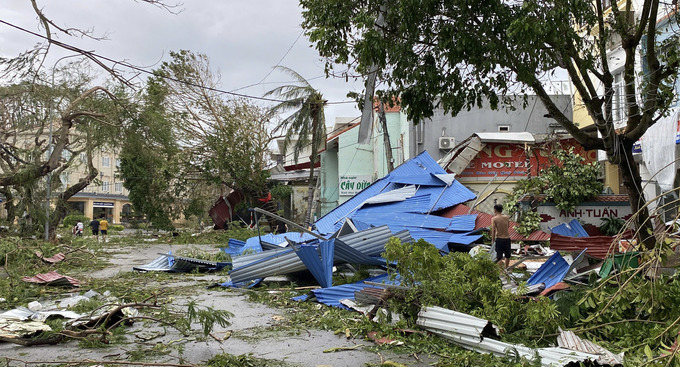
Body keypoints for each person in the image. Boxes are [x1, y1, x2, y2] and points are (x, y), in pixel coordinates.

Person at [491, 204, 512, 268]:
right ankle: (506, 269)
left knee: (499, 256)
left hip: (499, 239)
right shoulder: (506, 217)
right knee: (507, 255)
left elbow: (493, 230)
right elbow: (508, 226)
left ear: (495, 210)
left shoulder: (494, 219)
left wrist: (493, 240)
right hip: (507, 238)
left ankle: (500, 271)